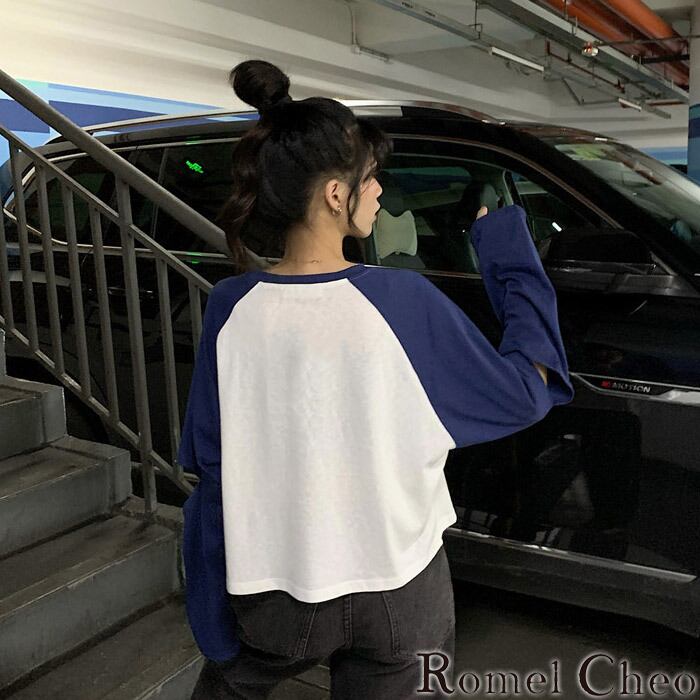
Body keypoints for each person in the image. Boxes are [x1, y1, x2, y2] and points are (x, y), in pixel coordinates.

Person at [177, 59, 575, 700]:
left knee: (230, 684)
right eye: (371, 178)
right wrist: (507, 254)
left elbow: (209, 460)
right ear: (336, 195)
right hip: (397, 586)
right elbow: (526, 390)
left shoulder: (229, 305)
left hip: (275, 589)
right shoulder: (402, 301)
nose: (380, 191)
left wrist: (213, 589)